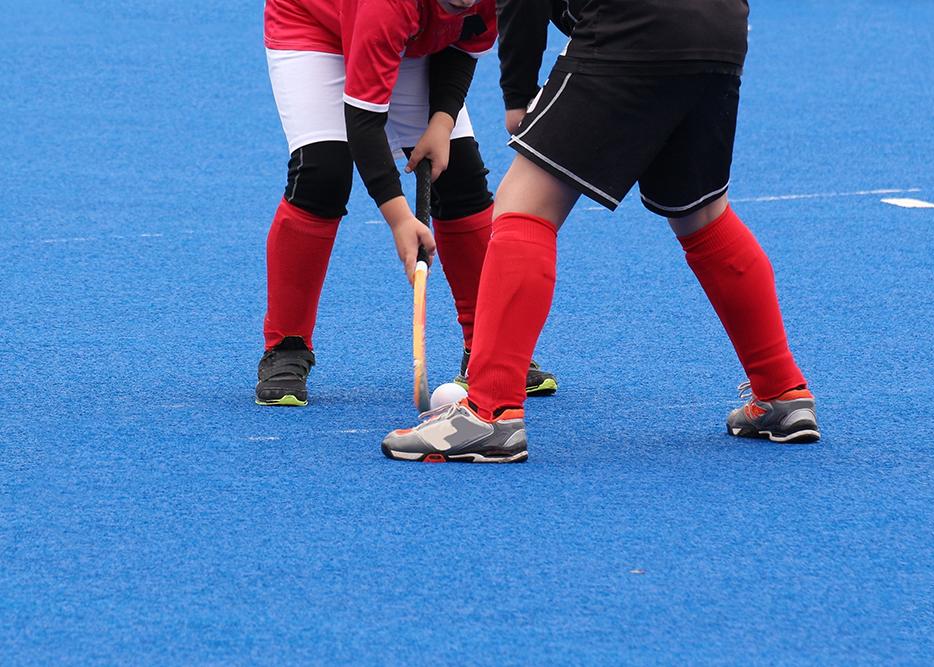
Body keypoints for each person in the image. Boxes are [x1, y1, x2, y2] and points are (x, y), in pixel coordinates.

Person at [381, 0, 820, 462]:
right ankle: (781, 390)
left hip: (632, 24)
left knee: (523, 205)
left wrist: (517, 95)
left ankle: (489, 412)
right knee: (704, 216)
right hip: (721, 27)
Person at [256, 0, 557, 406]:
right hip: (316, 27)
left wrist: (442, 121)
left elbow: (464, 41)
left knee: (460, 175)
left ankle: (486, 350)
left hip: (415, 34)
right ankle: (286, 347)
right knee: (322, 175)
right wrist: (400, 219)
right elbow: (363, 121)